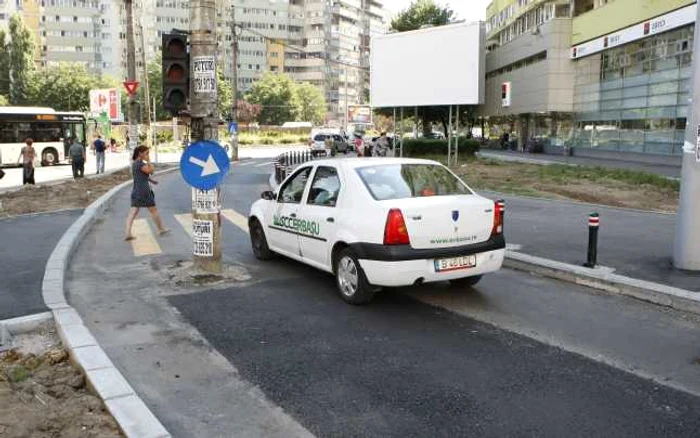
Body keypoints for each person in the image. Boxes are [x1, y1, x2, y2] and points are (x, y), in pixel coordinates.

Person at [124, 146, 169, 241]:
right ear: (140, 153)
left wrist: (152, 181)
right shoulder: (140, 164)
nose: (148, 155)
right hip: (144, 191)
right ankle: (161, 229)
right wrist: (149, 161)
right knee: (153, 210)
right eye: (146, 153)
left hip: (136, 190)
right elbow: (151, 171)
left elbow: (141, 175)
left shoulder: (135, 164)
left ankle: (128, 233)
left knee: (133, 212)